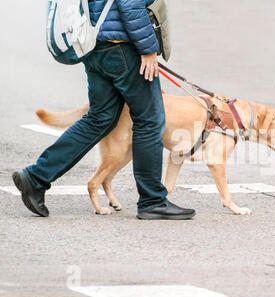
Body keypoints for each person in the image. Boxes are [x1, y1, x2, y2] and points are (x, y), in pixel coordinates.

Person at [12, 0, 195, 220]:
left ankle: (36, 176)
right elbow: (130, 5)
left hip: (95, 45)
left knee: (99, 118)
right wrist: (148, 50)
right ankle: (152, 201)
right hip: (123, 47)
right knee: (149, 120)